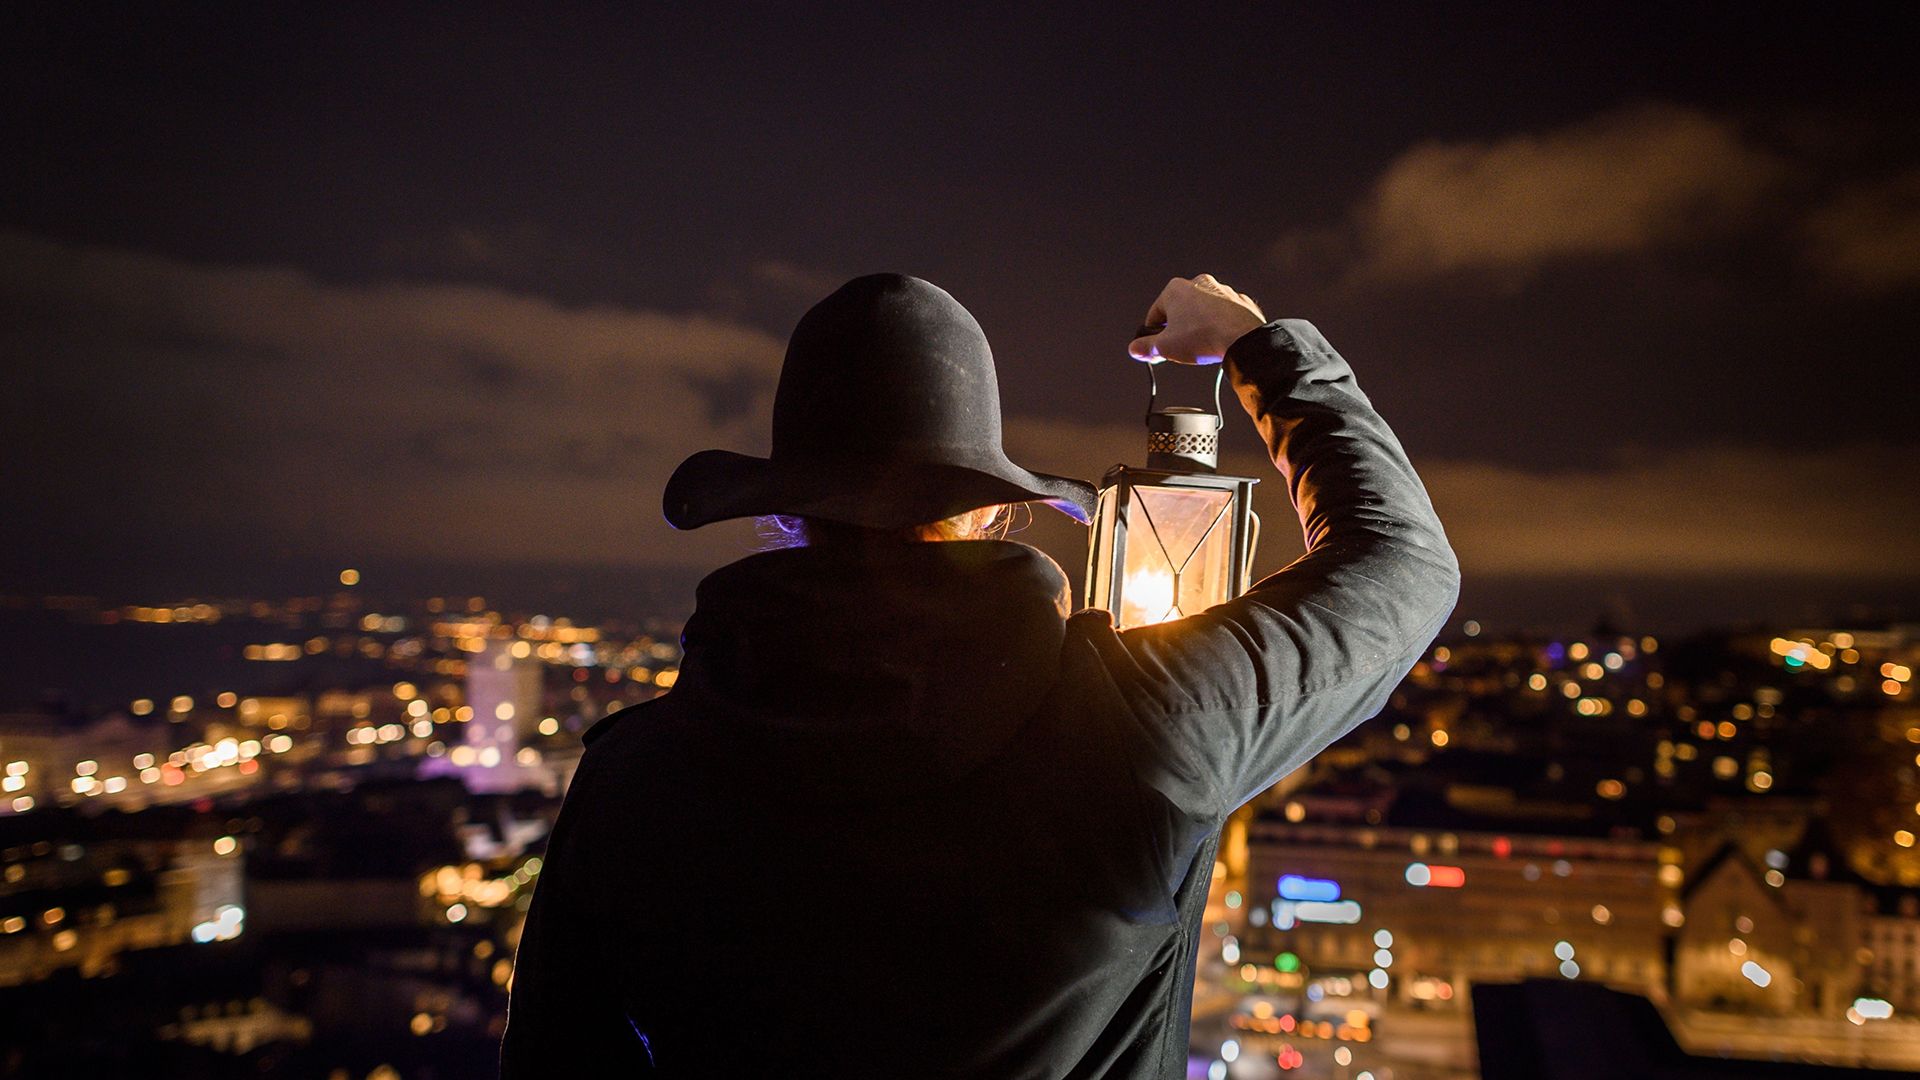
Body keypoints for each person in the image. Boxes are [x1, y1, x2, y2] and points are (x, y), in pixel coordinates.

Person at [499, 273, 1459, 1078]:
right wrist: (1255, 348)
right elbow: (1402, 566)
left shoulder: (636, 783)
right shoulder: (1142, 724)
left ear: (786, 515)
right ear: (992, 512)